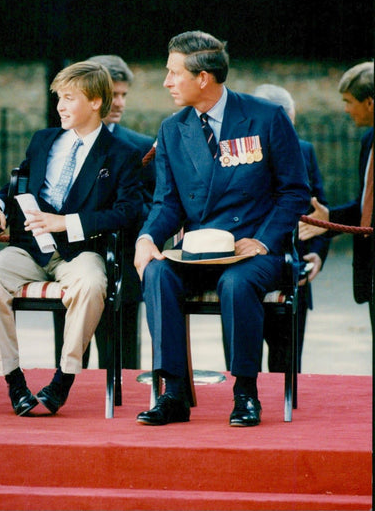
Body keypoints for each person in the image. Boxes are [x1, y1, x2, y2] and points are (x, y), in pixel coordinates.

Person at [134, 31, 310, 427]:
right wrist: (147, 238)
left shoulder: (266, 117)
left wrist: (264, 241)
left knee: (236, 282)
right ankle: (174, 393)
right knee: (158, 271)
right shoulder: (172, 129)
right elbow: (167, 203)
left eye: (173, 73)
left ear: (203, 77)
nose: (166, 82)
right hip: (197, 252)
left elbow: (295, 192)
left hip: (255, 252)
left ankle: (245, 392)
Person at [0, 61, 142, 416]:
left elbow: (128, 213)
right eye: (59, 98)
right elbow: (17, 182)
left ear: (95, 102)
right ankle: (14, 380)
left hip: (82, 251)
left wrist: (66, 223)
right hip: (31, 249)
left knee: (93, 284)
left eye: (69, 98)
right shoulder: (43, 139)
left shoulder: (122, 155)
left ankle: (63, 378)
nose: (60, 106)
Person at [252, 84, 331, 372]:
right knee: (243, 362)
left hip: (294, 271)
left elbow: (319, 210)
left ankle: (285, 409)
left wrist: (317, 255)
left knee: (287, 365)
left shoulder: (303, 151)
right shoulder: (234, 150)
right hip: (245, 264)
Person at [87, 54, 156, 370]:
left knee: (124, 360)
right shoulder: (61, 141)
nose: (119, 102)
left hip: (125, 262)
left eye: (124, 95)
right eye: (112, 94)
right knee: (70, 352)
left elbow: (154, 205)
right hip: (76, 258)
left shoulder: (141, 147)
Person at [299, 61, 374, 332]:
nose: (345, 109)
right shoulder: (368, 141)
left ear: (369, 102)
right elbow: (365, 207)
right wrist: (328, 219)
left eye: (348, 101)